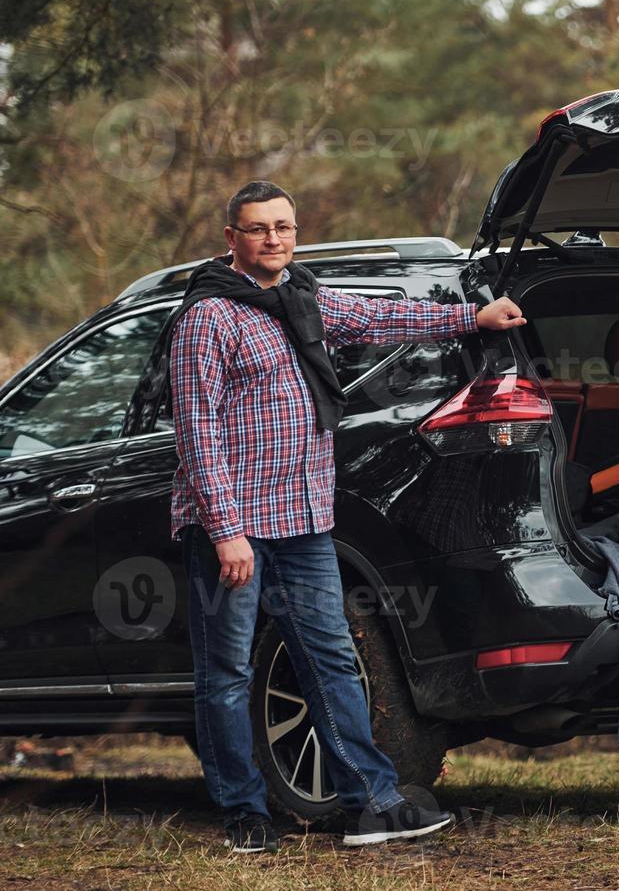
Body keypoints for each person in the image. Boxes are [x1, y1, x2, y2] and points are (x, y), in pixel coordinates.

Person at [171, 180, 527, 851]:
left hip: (302, 519)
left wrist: (471, 319)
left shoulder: (300, 298)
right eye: (257, 228)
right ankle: (244, 813)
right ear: (232, 239)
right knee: (226, 673)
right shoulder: (208, 318)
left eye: (282, 225)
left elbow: (376, 319)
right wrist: (224, 530)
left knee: (331, 660)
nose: (272, 237)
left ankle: (373, 801)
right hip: (238, 529)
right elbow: (197, 434)